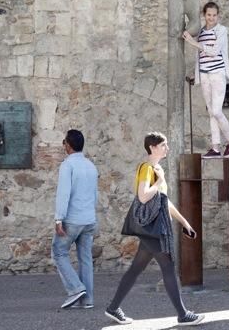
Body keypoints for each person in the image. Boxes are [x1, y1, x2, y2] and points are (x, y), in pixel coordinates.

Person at [104, 132, 205, 327]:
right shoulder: (147, 168)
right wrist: (159, 182)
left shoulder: (157, 169)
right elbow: (143, 196)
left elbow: (163, 202)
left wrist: (185, 223)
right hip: (152, 228)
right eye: (164, 145)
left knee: (136, 269)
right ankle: (183, 314)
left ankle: (113, 308)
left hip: (152, 227)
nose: (167, 148)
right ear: (152, 147)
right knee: (168, 267)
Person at [183, 1, 229, 159]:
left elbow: (213, 51)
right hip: (205, 74)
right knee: (211, 113)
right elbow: (201, 55)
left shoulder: (221, 30)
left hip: (217, 74)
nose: (211, 18)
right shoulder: (201, 31)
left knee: (216, 111)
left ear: (217, 16)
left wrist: (193, 42)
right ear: (204, 15)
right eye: (208, 15)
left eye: (214, 15)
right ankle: (215, 147)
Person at [52, 129, 99, 309]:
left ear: (68, 145)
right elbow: (96, 195)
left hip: (72, 219)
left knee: (59, 252)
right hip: (89, 219)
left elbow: (63, 194)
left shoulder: (67, 165)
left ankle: (76, 288)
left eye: (64, 142)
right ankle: (88, 300)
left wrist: (58, 219)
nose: (64, 145)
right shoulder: (91, 166)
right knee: (85, 258)